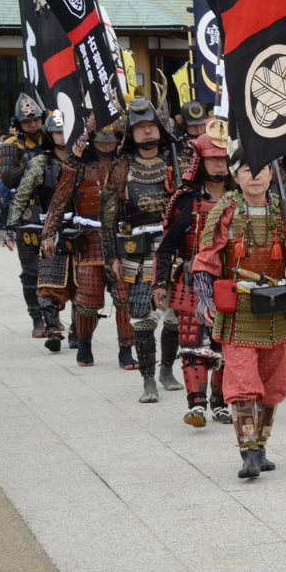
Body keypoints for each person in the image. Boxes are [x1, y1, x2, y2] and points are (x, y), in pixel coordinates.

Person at [192, 141, 286, 477]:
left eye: (262, 169)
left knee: (273, 382)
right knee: (243, 379)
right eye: (248, 169)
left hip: (280, 310)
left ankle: (261, 446)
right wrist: (205, 298)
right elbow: (205, 261)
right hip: (240, 310)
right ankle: (247, 452)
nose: (256, 176)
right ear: (235, 175)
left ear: (271, 174)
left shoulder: (285, 212)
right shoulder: (224, 212)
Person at [101, 97, 182, 401]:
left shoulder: (179, 161)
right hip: (137, 252)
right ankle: (148, 378)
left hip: (174, 250)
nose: (147, 132)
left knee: (174, 315)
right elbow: (107, 216)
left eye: (151, 126)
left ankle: (167, 369)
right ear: (130, 134)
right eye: (140, 127)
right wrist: (111, 257)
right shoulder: (121, 169)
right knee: (142, 317)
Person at [154, 129, 232, 427]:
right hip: (190, 280)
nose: (219, 165)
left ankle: (221, 403)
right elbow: (167, 246)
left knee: (225, 343)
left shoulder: (241, 198)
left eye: (224, 159)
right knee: (191, 344)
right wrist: (159, 283)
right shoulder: (185, 200)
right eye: (213, 159)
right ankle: (196, 405)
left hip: (228, 282)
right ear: (201, 160)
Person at [39, 124, 124, 365]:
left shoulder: (126, 163)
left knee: (124, 297)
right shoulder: (77, 167)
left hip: (121, 238)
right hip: (89, 237)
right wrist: (48, 234)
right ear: (91, 140)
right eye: (101, 139)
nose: (107, 144)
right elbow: (59, 200)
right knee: (87, 300)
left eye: (112, 139)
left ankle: (126, 349)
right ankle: (84, 344)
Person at [5, 111, 73, 350]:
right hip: (45, 223)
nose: (62, 137)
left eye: (65, 131)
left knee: (82, 280)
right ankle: (49, 325)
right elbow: (21, 194)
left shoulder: (84, 159)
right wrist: (10, 227)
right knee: (44, 278)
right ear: (49, 134)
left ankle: (78, 327)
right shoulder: (39, 161)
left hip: (79, 224)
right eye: (56, 132)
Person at [0, 94, 47, 336]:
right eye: (27, 122)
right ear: (19, 124)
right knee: (31, 269)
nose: (33, 124)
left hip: (54, 208)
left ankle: (53, 316)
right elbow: (7, 178)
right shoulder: (10, 145)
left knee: (56, 267)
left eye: (36, 119)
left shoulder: (53, 137)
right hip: (26, 210)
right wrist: (35, 165)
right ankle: (36, 317)